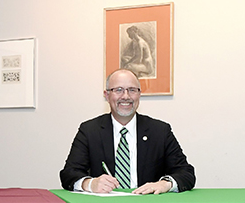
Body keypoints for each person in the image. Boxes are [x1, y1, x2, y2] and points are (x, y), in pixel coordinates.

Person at [60, 69, 195, 194]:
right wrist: (90, 184)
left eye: (132, 90)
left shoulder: (160, 131)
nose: (126, 96)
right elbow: (69, 174)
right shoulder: (89, 131)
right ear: (107, 95)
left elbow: (186, 173)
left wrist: (165, 184)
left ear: (139, 94)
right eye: (118, 90)